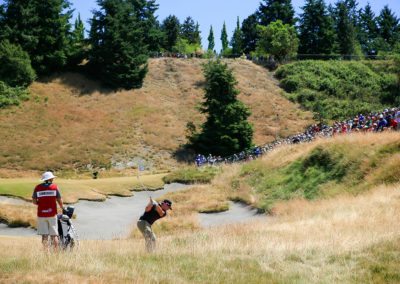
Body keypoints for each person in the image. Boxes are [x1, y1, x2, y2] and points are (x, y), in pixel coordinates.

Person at [32, 171, 64, 251]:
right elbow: (59, 200)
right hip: (52, 214)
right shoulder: (55, 187)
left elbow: (34, 201)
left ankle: (46, 255)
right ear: (50, 179)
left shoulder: (37, 187)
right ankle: (56, 254)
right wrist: (62, 207)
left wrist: (41, 203)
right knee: (54, 235)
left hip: (41, 215)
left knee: (44, 236)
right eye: (52, 178)